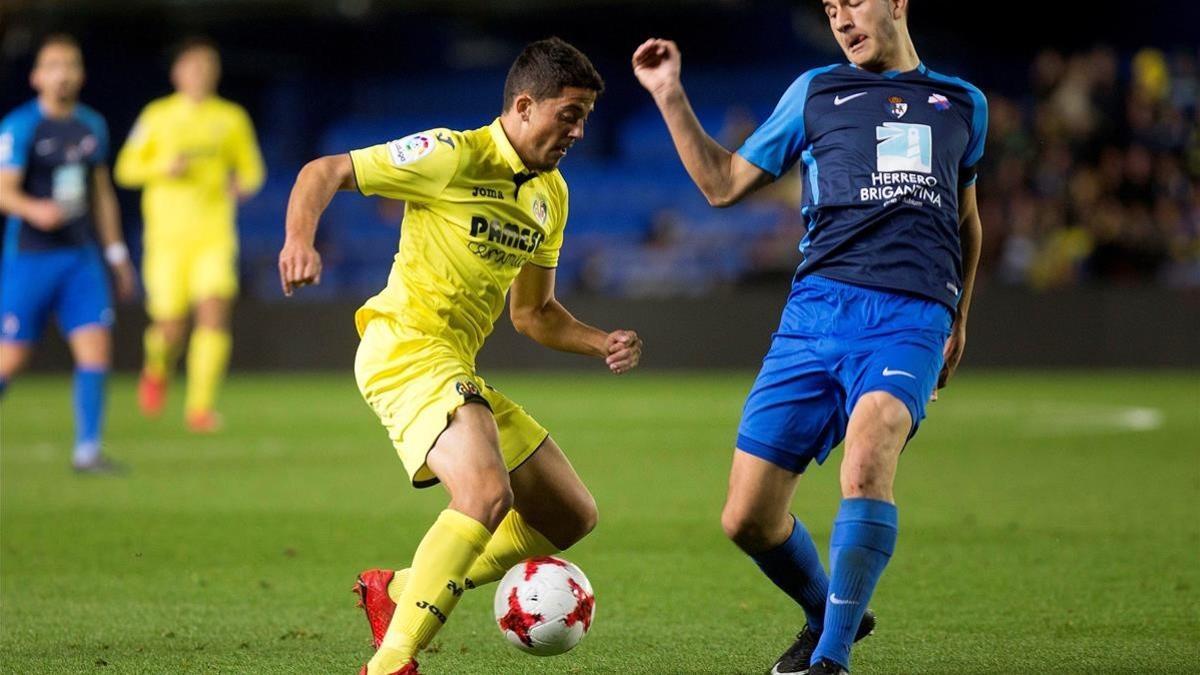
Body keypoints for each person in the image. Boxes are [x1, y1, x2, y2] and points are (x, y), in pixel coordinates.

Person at [633, 0, 987, 671]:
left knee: (869, 450)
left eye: (854, 2)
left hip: (911, 311)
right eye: (830, 10)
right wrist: (670, 93)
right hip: (815, 314)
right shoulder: (815, 91)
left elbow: (967, 218)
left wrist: (960, 314)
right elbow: (722, 184)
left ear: (898, 4)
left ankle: (831, 658)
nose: (842, 19)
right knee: (747, 517)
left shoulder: (964, 103)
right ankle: (834, 612)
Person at [278, 37, 642, 675]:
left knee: (569, 514)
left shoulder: (550, 197)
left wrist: (599, 340)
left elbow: (533, 314)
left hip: (454, 367)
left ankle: (398, 590)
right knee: (483, 493)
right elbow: (323, 171)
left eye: (585, 117)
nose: (579, 132)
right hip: (405, 346)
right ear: (525, 105)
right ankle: (392, 662)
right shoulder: (450, 155)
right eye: (570, 114)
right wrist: (298, 242)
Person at [0, 34, 137, 473]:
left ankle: (87, 450)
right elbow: (4, 192)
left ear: (81, 74)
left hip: (80, 258)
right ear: (37, 76)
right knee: (13, 356)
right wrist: (33, 208)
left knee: (96, 348)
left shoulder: (91, 125)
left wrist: (116, 254)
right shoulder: (21, 126)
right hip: (31, 256)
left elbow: (102, 195)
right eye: (54, 65)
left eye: (71, 64)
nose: (63, 72)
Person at [114, 36, 264, 432]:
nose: (201, 74)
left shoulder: (231, 118)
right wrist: (163, 167)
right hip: (166, 239)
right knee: (170, 325)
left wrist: (243, 185)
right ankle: (157, 367)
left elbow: (252, 169)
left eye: (207, 67)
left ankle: (200, 407)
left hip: (214, 234)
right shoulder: (157, 116)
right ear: (177, 73)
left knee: (214, 312)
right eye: (193, 67)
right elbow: (125, 168)